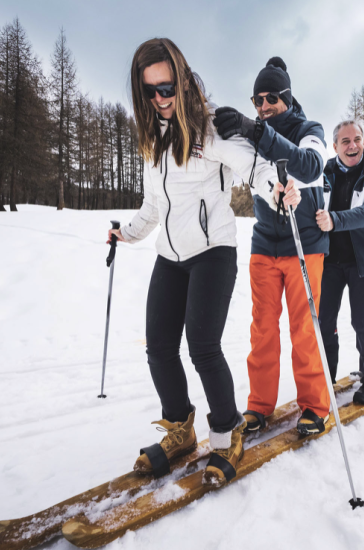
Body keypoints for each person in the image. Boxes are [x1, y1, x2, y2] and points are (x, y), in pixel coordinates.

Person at [107, 38, 284, 487]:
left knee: (202, 345)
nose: (158, 100)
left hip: (213, 251)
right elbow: (153, 206)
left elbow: (255, 168)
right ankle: (180, 430)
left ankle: (227, 433)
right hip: (170, 255)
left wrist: (277, 190)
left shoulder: (211, 127)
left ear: (182, 81)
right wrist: (126, 233)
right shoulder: (155, 140)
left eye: (165, 88)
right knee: (159, 347)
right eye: (148, 92)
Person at [213, 57, 331, 435]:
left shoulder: (309, 128)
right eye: (257, 100)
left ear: (288, 98)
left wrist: (258, 132)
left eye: (271, 98)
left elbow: (311, 167)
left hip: (305, 244)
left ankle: (314, 405)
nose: (263, 107)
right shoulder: (252, 132)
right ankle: (259, 405)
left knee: (304, 328)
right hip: (265, 243)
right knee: (262, 329)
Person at [318, 120, 364, 404]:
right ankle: (325, 378)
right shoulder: (324, 171)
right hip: (329, 262)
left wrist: (334, 220)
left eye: (357, 139)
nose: (353, 146)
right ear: (335, 146)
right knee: (324, 323)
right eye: (346, 141)